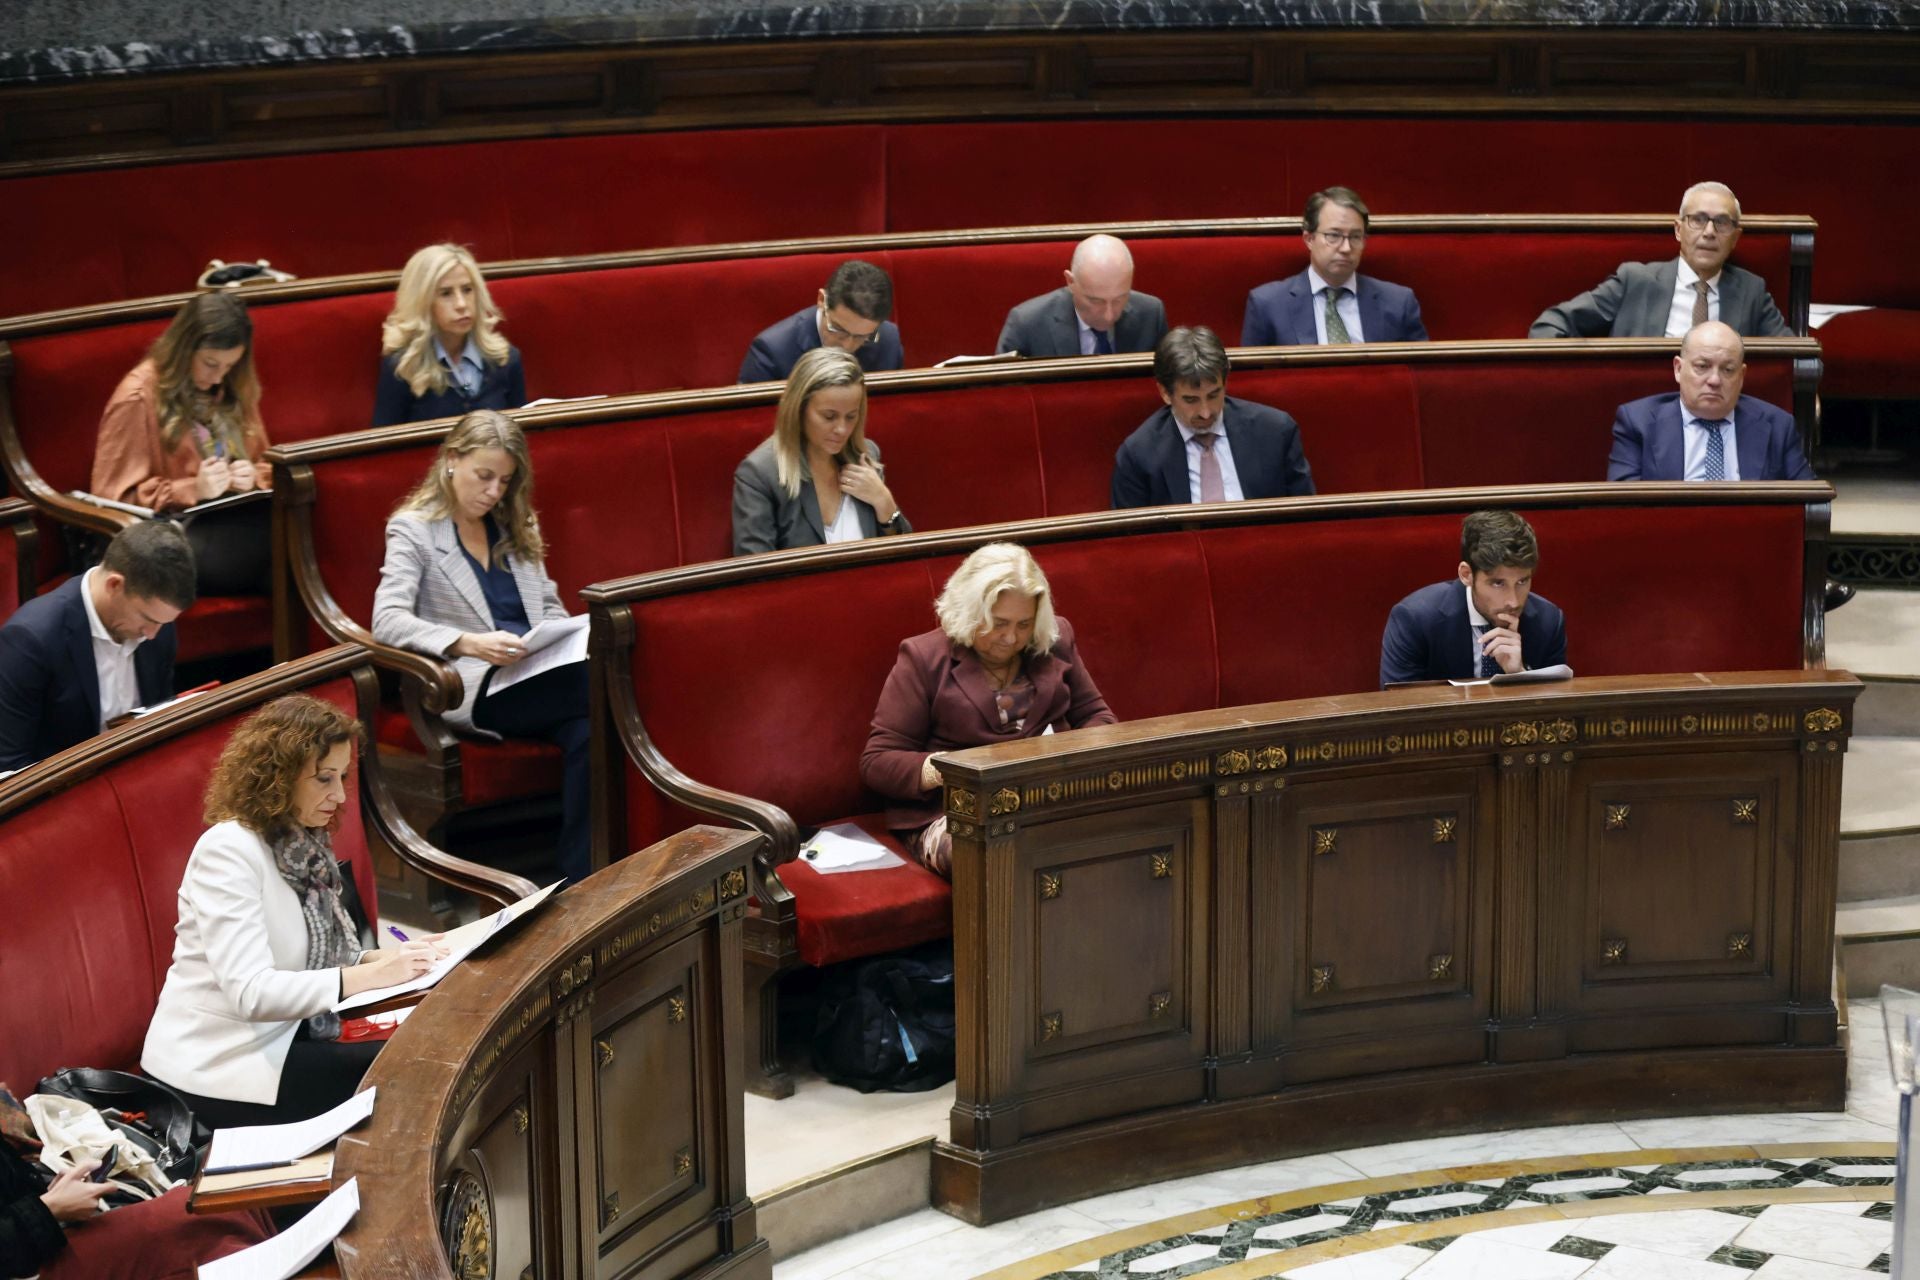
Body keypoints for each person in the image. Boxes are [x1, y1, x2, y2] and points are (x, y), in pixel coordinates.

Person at [141, 695, 450, 1128]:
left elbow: (315, 960)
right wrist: (369, 975)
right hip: (218, 1067)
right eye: (324, 779)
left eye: (342, 777)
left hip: (285, 1039)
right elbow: (251, 993)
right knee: (417, 1072)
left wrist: (397, 959)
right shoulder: (228, 849)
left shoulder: (304, 844)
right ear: (278, 776)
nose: (339, 795)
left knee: (434, 1051)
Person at [371, 410, 591, 882]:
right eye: (484, 476)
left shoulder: (514, 524)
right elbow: (386, 621)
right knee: (605, 687)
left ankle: (581, 875)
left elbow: (549, 608)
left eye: (505, 481)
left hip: (537, 671)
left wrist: (559, 635)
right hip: (471, 681)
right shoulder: (414, 529)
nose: (494, 492)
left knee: (588, 731)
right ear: (452, 461)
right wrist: (467, 643)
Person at [861, 543, 1115, 877]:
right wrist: (953, 769)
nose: (1011, 638)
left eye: (1024, 624)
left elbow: (1100, 718)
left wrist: (1061, 756)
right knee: (1001, 851)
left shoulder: (1053, 640)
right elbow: (877, 761)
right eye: (998, 623)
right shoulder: (924, 658)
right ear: (970, 611)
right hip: (953, 814)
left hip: (1048, 797)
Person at [90, 292, 272, 596]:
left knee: (292, 534)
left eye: (229, 366)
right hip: (167, 542)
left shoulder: (231, 385)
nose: (217, 378)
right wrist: (193, 489)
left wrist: (253, 476)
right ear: (183, 348)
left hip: (235, 525)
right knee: (282, 544)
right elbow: (113, 501)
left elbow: (266, 464)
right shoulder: (138, 396)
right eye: (210, 363)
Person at [0, 519, 193, 772]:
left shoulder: (157, 624)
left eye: (163, 623)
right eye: (148, 619)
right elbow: (9, 767)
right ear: (114, 585)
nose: (152, 634)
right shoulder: (30, 639)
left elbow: (159, 722)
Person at [1530, 182, 1791, 338]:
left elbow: (1795, 360)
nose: (1709, 232)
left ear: (1735, 238)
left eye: (1721, 222)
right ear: (1678, 229)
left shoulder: (1751, 291)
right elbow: (1550, 326)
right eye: (1698, 220)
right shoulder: (1634, 280)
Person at [0, 1136, 271, 1278]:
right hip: (24, 1260)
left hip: (31, 1237)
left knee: (224, 1193)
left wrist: (46, 1197)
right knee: (197, 1220)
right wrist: (48, 1209)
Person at [1111, 326, 1314, 509]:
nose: (1206, 412)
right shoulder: (1138, 455)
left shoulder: (1275, 432)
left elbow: (1305, 519)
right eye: (1191, 400)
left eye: (1214, 395)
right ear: (1165, 393)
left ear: (1225, 383)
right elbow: (1133, 542)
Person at [732, 349, 910, 555]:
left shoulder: (865, 457)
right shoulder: (760, 474)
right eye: (829, 417)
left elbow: (902, 559)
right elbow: (755, 570)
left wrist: (885, 503)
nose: (841, 429)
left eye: (851, 416)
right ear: (799, 409)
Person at [1607, 321, 1814, 482]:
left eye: (1727, 370)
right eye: (1702, 366)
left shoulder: (1777, 425)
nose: (1714, 380)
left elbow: (1807, 500)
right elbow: (1622, 504)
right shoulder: (1638, 422)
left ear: (1741, 376)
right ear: (1678, 369)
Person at [1380, 510, 1567, 688]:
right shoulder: (1415, 620)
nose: (1514, 601)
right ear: (1466, 575)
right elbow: (1399, 709)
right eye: (1498, 583)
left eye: (1522, 581)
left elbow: (1560, 713)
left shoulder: (1548, 622)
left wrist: (1520, 675)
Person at [1242, 187, 1429, 347]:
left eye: (1355, 237)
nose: (1346, 248)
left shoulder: (1399, 303)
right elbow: (1251, 382)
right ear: (1309, 239)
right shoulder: (1267, 304)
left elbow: (1420, 378)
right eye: (1334, 236)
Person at [372, 243, 527, 426]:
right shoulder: (404, 367)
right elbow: (385, 446)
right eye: (446, 293)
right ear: (422, 302)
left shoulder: (505, 359)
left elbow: (519, 440)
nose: (461, 304)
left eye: (467, 290)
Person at [996, 233, 1168, 358]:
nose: (1109, 315)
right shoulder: (1027, 324)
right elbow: (1004, 396)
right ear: (1070, 282)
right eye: (1096, 300)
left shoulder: (1151, 315)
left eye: (1120, 299)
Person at [739, 260, 904, 384]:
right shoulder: (771, 351)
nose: (847, 346)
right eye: (838, 329)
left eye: (862, 336)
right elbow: (751, 424)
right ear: (821, 300)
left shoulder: (888, 340)